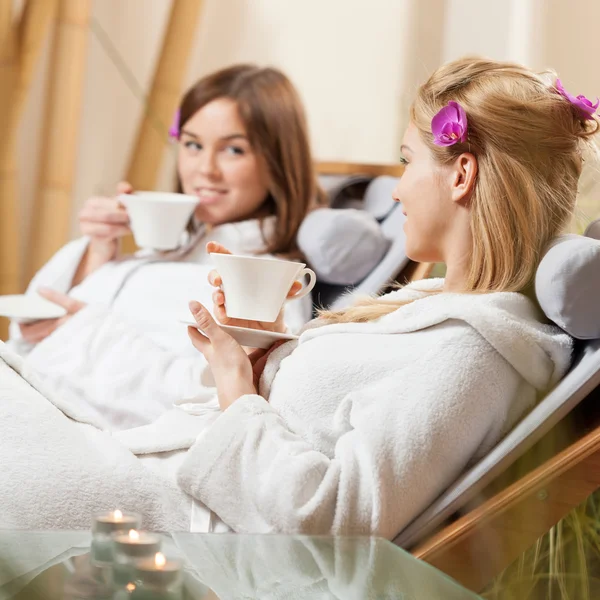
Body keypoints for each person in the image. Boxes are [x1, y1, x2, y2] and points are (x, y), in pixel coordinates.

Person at [172, 57, 596, 537]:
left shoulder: (471, 353)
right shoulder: (432, 305)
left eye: (406, 161)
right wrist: (261, 359)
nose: (396, 192)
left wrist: (234, 388)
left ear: (461, 175)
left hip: (181, 521)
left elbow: (335, 518)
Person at [8, 64, 325, 430]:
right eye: (192, 144)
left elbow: (208, 402)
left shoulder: (265, 283)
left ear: (278, 161)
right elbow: (26, 329)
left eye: (234, 150)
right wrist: (99, 250)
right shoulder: (165, 251)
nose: (205, 169)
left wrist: (78, 333)